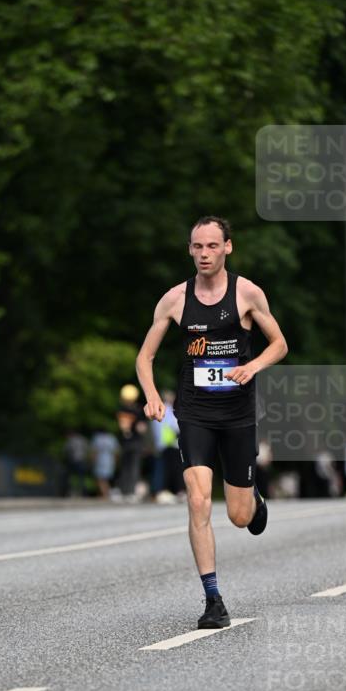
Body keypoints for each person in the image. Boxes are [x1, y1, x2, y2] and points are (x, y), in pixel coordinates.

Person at [136, 216, 288, 629]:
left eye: (212, 246)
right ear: (190, 250)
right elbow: (144, 357)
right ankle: (213, 598)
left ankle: (253, 501)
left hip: (238, 415)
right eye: (197, 247)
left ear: (227, 248)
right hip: (195, 412)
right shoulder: (174, 300)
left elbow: (280, 343)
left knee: (239, 517)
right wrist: (152, 395)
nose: (204, 254)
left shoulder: (247, 294)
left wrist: (252, 365)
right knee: (198, 499)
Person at [115, 384, 147, 501]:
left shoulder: (120, 409)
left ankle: (124, 491)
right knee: (133, 467)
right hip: (135, 442)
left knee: (125, 466)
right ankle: (130, 492)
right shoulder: (138, 410)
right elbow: (142, 429)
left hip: (125, 442)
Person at [90, 428, 120, 499]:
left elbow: (94, 451)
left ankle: (105, 495)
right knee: (105, 479)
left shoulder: (97, 438)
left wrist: (92, 461)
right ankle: (104, 494)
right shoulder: (112, 438)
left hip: (100, 460)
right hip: (109, 460)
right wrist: (116, 461)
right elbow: (116, 451)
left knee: (100, 479)